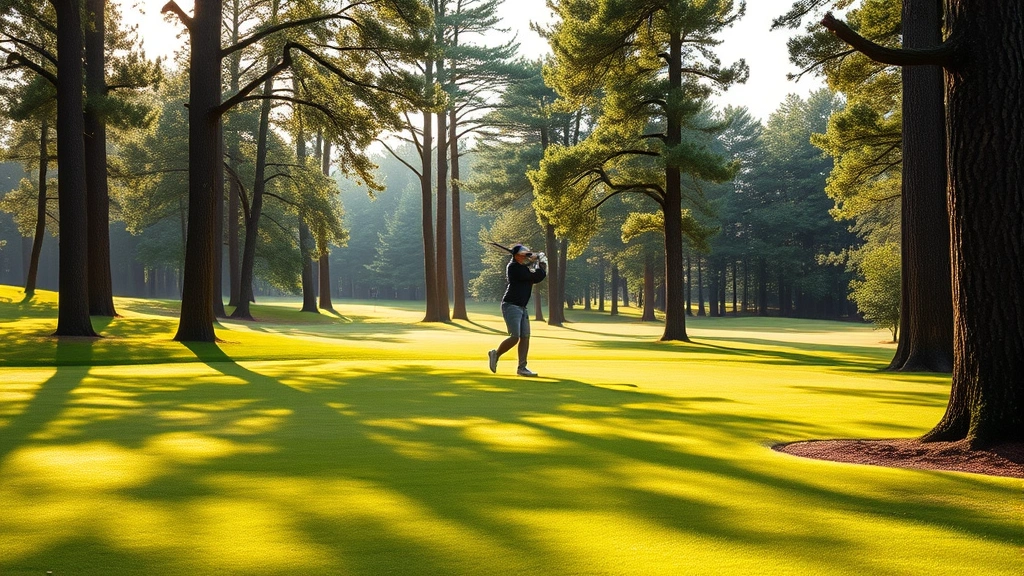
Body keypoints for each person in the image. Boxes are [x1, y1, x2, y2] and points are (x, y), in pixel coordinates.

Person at [488, 244, 547, 376]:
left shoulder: (524, 268)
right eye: (524, 253)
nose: (527, 254)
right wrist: (540, 261)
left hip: (522, 307)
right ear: (517, 255)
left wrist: (536, 261)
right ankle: (495, 354)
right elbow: (536, 275)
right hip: (511, 305)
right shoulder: (513, 267)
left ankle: (522, 368)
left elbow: (536, 276)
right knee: (515, 337)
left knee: (525, 337)